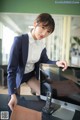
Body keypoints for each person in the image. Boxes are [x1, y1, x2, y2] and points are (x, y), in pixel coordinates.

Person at [7, 13, 67, 111]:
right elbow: (11, 70)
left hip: (30, 75)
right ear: (35, 24)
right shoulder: (19, 41)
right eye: (43, 28)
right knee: (15, 101)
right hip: (17, 75)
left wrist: (57, 62)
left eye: (48, 31)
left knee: (43, 96)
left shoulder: (41, 45)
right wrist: (12, 94)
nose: (44, 33)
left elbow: (45, 60)